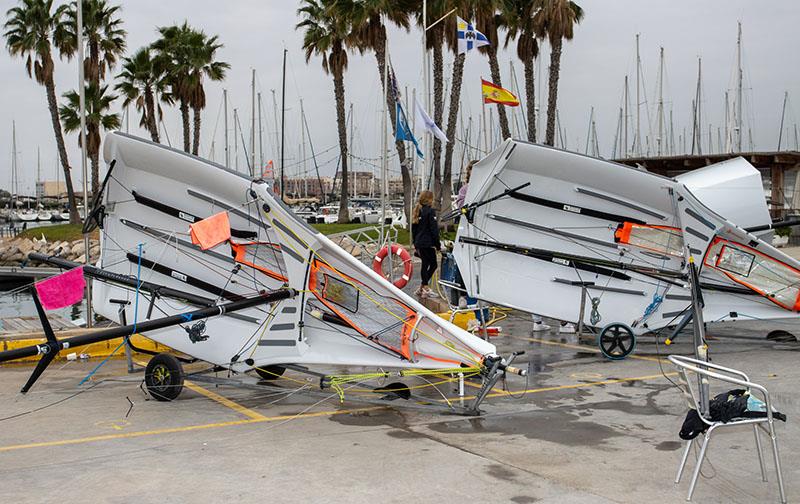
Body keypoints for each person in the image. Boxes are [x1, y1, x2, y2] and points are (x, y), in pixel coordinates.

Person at [412, 190, 440, 298]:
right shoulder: (430, 211)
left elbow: (414, 229)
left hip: (419, 242)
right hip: (428, 243)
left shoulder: (418, 211)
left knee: (425, 264)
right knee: (433, 265)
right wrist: (438, 245)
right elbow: (434, 230)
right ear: (430, 199)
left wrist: (415, 244)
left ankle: (422, 288)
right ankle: (425, 288)